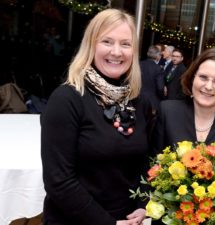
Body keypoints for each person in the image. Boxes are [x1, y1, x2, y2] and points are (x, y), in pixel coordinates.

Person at [41, 9, 153, 225]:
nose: (117, 52)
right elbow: (59, 181)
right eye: (107, 41)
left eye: (125, 44)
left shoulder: (140, 102)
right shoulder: (67, 99)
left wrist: (142, 204)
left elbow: (145, 164)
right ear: (91, 45)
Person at [154, 47, 215, 165]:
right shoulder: (167, 112)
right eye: (203, 77)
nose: (208, 86)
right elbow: (152, 167)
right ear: (193, 77)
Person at [140, 45, 165, 114]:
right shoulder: (158, 69)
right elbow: (160, 88)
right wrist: (162, 97)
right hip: (151, 102)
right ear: (157, 56)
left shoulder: (139, 64)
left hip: (136, 99)